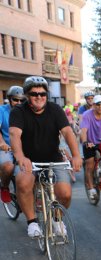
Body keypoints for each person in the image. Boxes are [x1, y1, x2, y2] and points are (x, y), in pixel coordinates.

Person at [9, 76, 82, 237]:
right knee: (23, 182)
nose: (39, 97)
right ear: (27, 95)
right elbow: (14, 134)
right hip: (29, 160)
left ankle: (57, 219)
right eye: (34, 94)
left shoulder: (55, 109)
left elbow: (67, 132)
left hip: (53, 159)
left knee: (65, 193)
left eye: (42, 94)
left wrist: (76, 156)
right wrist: (21, 157)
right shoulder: (18, 112)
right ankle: (32, 222)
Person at [0, 86, 25, 203]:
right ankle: (4, 187)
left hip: (24, 148)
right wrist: (2, 143)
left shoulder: (27, 112)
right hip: (7, 148)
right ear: (9, 99)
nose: (19, 103)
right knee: (8, 167)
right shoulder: (2, 110)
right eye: (15, 99)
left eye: (22, 100)